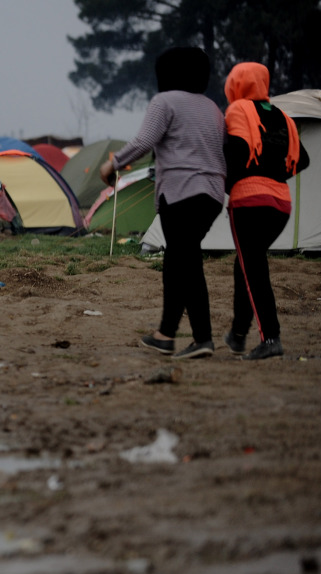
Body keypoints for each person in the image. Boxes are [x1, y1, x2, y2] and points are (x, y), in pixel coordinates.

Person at [100, 46, 226, 359]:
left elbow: (144, 141)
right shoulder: (213, 108)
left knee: (185, 263)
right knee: (179, 260)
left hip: (181, 192)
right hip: (212, 194)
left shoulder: (164, 101)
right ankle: (166, 335)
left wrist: (112, 163)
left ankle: (200, 338)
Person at [221, 62, 309, 360]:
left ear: (236, 84)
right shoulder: (283, 117)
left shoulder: (238, 110)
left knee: (254, 269)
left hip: (249, 202)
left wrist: (230, 184)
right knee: (246, 265)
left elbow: (234, 152)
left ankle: (271, 337)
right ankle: (238, 334)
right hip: (280, 204)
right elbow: (302, 159)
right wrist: (274, 175)